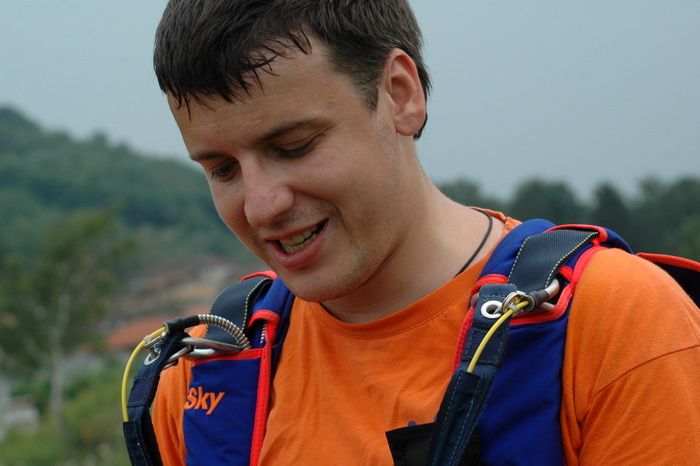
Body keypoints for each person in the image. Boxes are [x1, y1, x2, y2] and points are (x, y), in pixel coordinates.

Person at [149, 0, 700, 464]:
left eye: (294, 147)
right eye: (222, 169)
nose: (262, 206)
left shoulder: (614, 326)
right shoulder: (209, 375)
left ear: (399, 94)